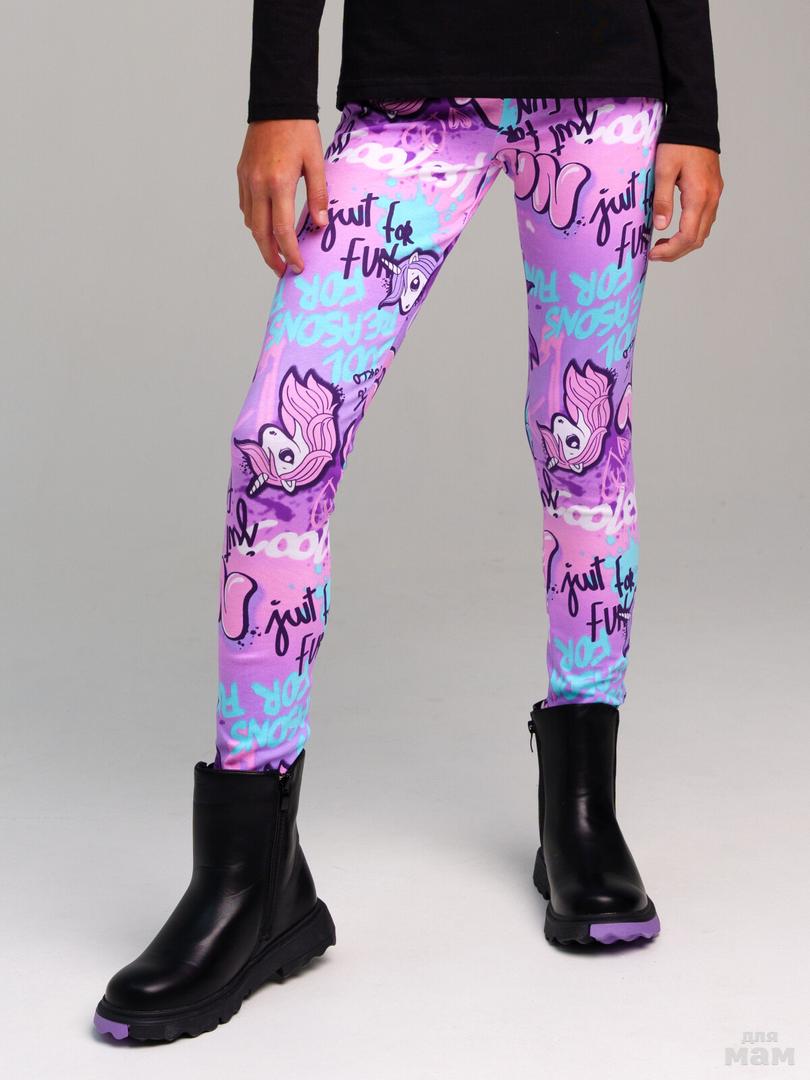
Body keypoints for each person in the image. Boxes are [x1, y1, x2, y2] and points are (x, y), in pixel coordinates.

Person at [94, 0, 723, 1042]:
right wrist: (278, 96)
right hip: (411, 90)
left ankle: (581, 813)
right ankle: (251, 875)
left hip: (606, 85)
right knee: (280, 446)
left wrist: (694, 111)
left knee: (582, 440)